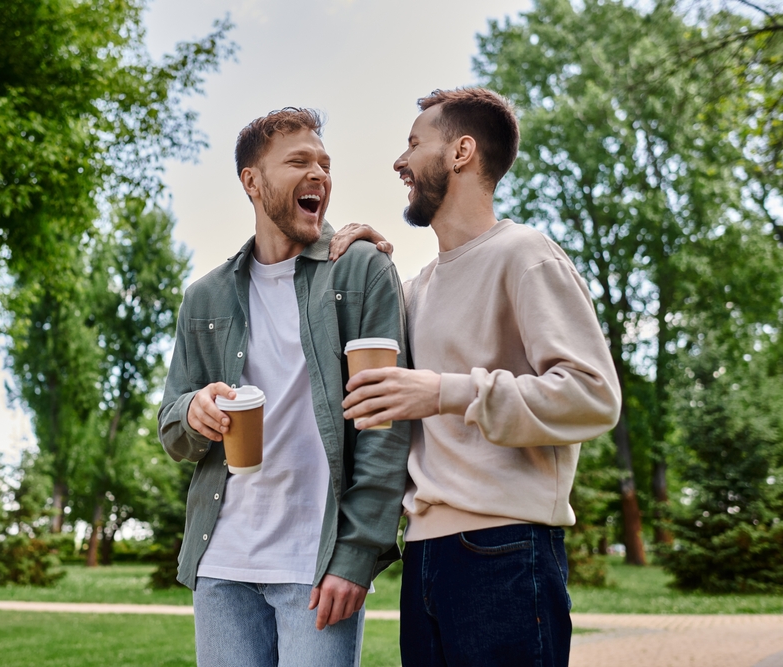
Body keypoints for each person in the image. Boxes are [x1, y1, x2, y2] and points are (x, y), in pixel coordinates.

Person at [333, 88, 621, 666]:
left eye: (414, 144)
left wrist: (445, 391)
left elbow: (593, 396)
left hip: (507, 549)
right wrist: (368, 267)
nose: (399, 161)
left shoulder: (525, 254)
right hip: (425, 556)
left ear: (461, 151)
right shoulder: (418, 286)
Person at [158, 107, 410, 667]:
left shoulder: (358, 270)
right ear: (252, 181)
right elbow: (171, 429)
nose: (319, 173)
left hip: (315, 567)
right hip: (221, 562)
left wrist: (357, 554)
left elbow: (384, 426)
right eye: (299, 161)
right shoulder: (206, 297)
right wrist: (192, 411)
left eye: (325, 163)